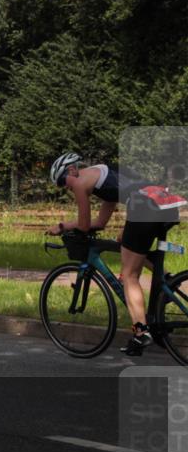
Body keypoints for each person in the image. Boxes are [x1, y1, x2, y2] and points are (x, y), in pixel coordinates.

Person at [46, 152, 183, 356]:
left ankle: (141, 333)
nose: (65, 186)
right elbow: (100, 223)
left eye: (62, 180)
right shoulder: (104, 175)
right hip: (163, 202)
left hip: (145, 206)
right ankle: (166, 279)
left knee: (129, 276)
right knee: (124, 242)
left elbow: (84, 226)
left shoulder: (79, 182)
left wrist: (62, 226)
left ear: (72, 170)